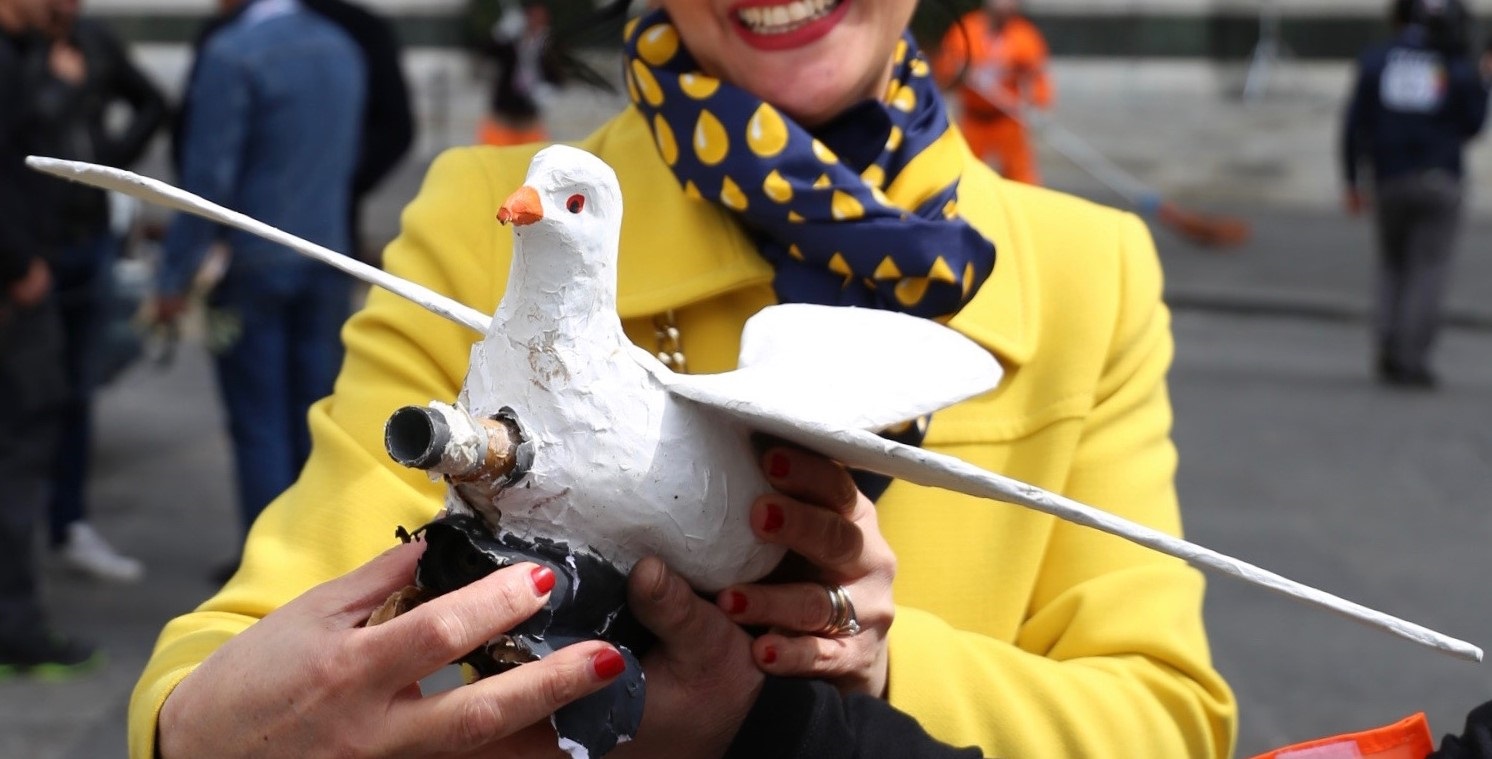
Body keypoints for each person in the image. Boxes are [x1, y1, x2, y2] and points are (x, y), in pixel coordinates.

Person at [129, 0, 1237, 756]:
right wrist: (190, 726)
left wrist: (872, 677)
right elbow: (273, 616)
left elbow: (1167, 722)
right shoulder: (489, 219)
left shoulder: (1090, 271)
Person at [153, 0, 364, 557]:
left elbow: (207, 180)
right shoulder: (341, 47)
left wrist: (173, 277)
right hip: (326, 256)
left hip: (253, 262)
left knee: (260, 424)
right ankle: (321, 560)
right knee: (317, 417)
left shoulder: (231, 54)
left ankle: (271, 571)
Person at [40, 0, 166, 584]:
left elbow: (153, 102)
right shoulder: (24, 51)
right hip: (26, 246)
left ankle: (68, 522)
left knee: (75, 389)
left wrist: (109, 161)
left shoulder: (92, 42)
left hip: (83, 241)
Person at [0, 0, 100, 677]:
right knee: (22, 447)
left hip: (32, 271)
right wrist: (17, 263)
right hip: (19, 283)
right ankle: (15, 624)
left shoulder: (30, 54)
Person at [1342, 0, 1490, 389]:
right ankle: (1412, 357)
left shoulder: (1377, 60)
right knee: (1428, 271)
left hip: (1388, 178)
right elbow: (1473, 124)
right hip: (1440, 179)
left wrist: (1351, 181)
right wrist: (1483, 80)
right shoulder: (1455, 65)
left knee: (1391, 265)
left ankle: (1388, 345)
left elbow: (1354, 122)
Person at [933, 0, 1053, 185]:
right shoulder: (968, 29)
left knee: (1020, 174)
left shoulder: (1024, 35)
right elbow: (947, 70)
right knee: (965, 171)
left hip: (1008, 117)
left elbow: (1036, 74)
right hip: (975, 118)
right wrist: (961, 72)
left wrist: (1038, 104)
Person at [474, 0, 562, 147]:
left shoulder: (548, 45)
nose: (537, 21)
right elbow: (486, 53)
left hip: (529, 119)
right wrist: (500, 35)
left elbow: (557, 76)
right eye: (533, 16)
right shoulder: (511, 42)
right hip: (502, 116)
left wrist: (549, 90)